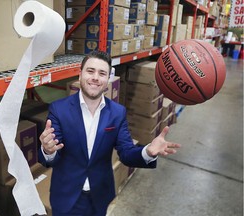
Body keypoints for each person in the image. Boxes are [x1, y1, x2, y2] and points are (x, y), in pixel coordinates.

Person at [38, 50, 181, 216]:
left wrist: (147, 151)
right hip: (66, 196)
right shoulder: (59, 109)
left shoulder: (117, 113)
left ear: (107, 81)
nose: (95, 77)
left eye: (102, 73)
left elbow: (126, 153)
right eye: (90, 71)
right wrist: (48, 151)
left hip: (99, 196)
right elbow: (53, 155)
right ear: (80, 75)